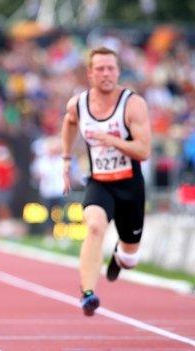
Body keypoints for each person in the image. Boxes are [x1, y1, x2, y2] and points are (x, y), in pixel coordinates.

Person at [61, 47, 151, 316]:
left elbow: (144, 151)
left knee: (130, 259)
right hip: (99, 183)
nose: (106, 73)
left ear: (118, 71)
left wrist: (111, 140)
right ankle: (88, 294)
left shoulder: (132, 104)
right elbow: (69, 123)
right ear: (90, 73)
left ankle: (120, 254)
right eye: (100, 68)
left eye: (111, 68)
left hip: (130, 185)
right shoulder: (78, 104)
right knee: (95, 227)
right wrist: (66, 159)